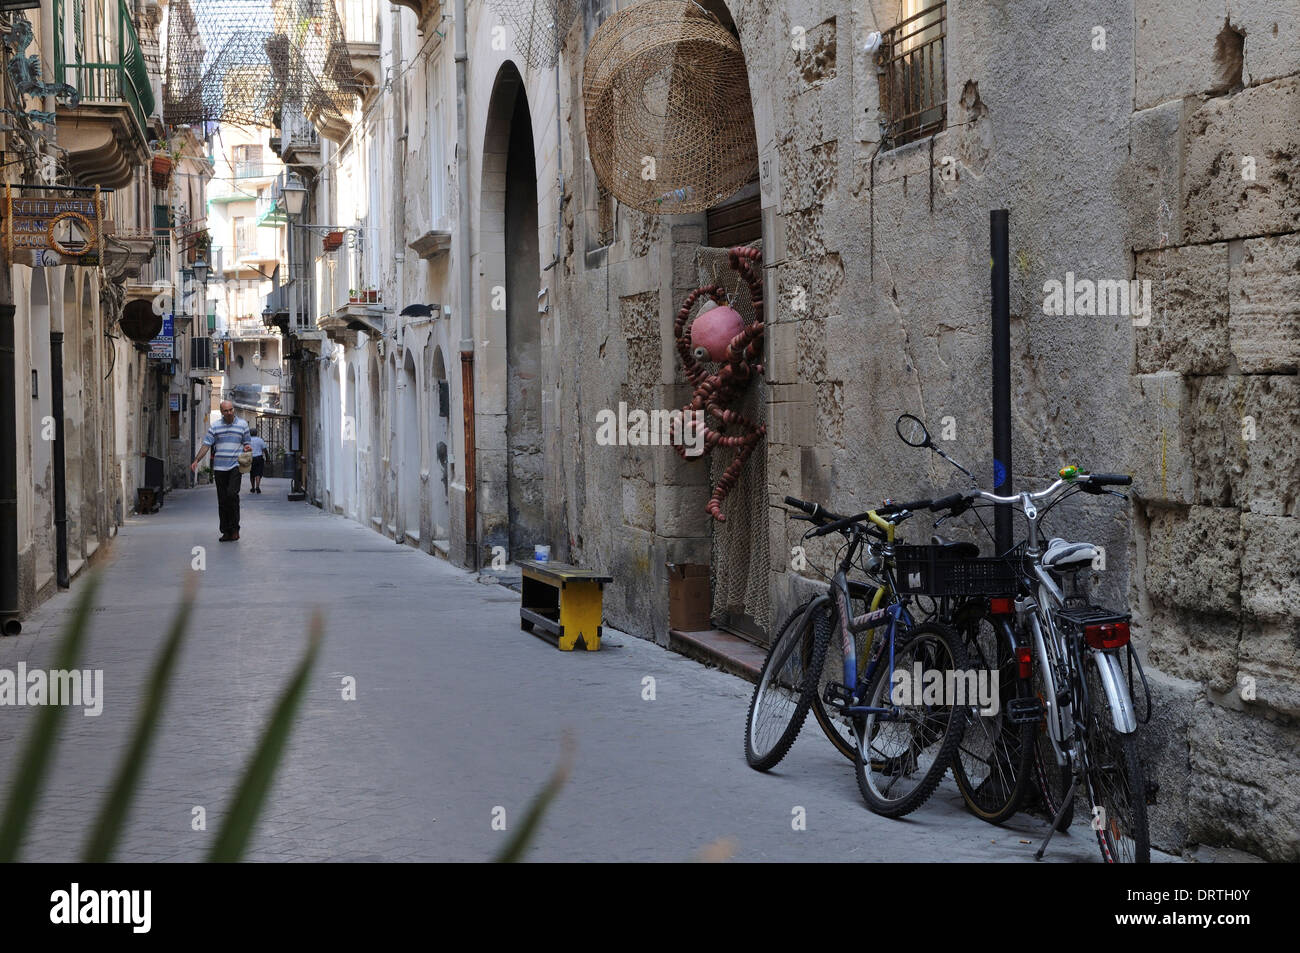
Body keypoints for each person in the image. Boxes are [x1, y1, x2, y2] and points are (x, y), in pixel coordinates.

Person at [191, 401, 252, 542]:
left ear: (233, 410)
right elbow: (206, 445)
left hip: (235, 466)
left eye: (231, 410)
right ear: (221, 412)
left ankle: (235, 529)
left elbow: (247, 443)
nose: (229, 412)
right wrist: (196, 460)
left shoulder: (243, 425)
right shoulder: (215, 426)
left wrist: (248, 448)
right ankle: (226, 531)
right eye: (226, 411)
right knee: (223, 500)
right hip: (219, 468)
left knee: (232, 495)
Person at [248, 428, 268, 493]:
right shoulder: (260, 440)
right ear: (256, 433)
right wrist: (267, 458)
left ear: (250, 433)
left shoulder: (248, 440)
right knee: (258, 473)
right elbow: (265, 450)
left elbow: (245, 449)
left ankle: (252, 488)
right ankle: (257, 487)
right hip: (259, 458)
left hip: (251, 458)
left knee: (252, 473)